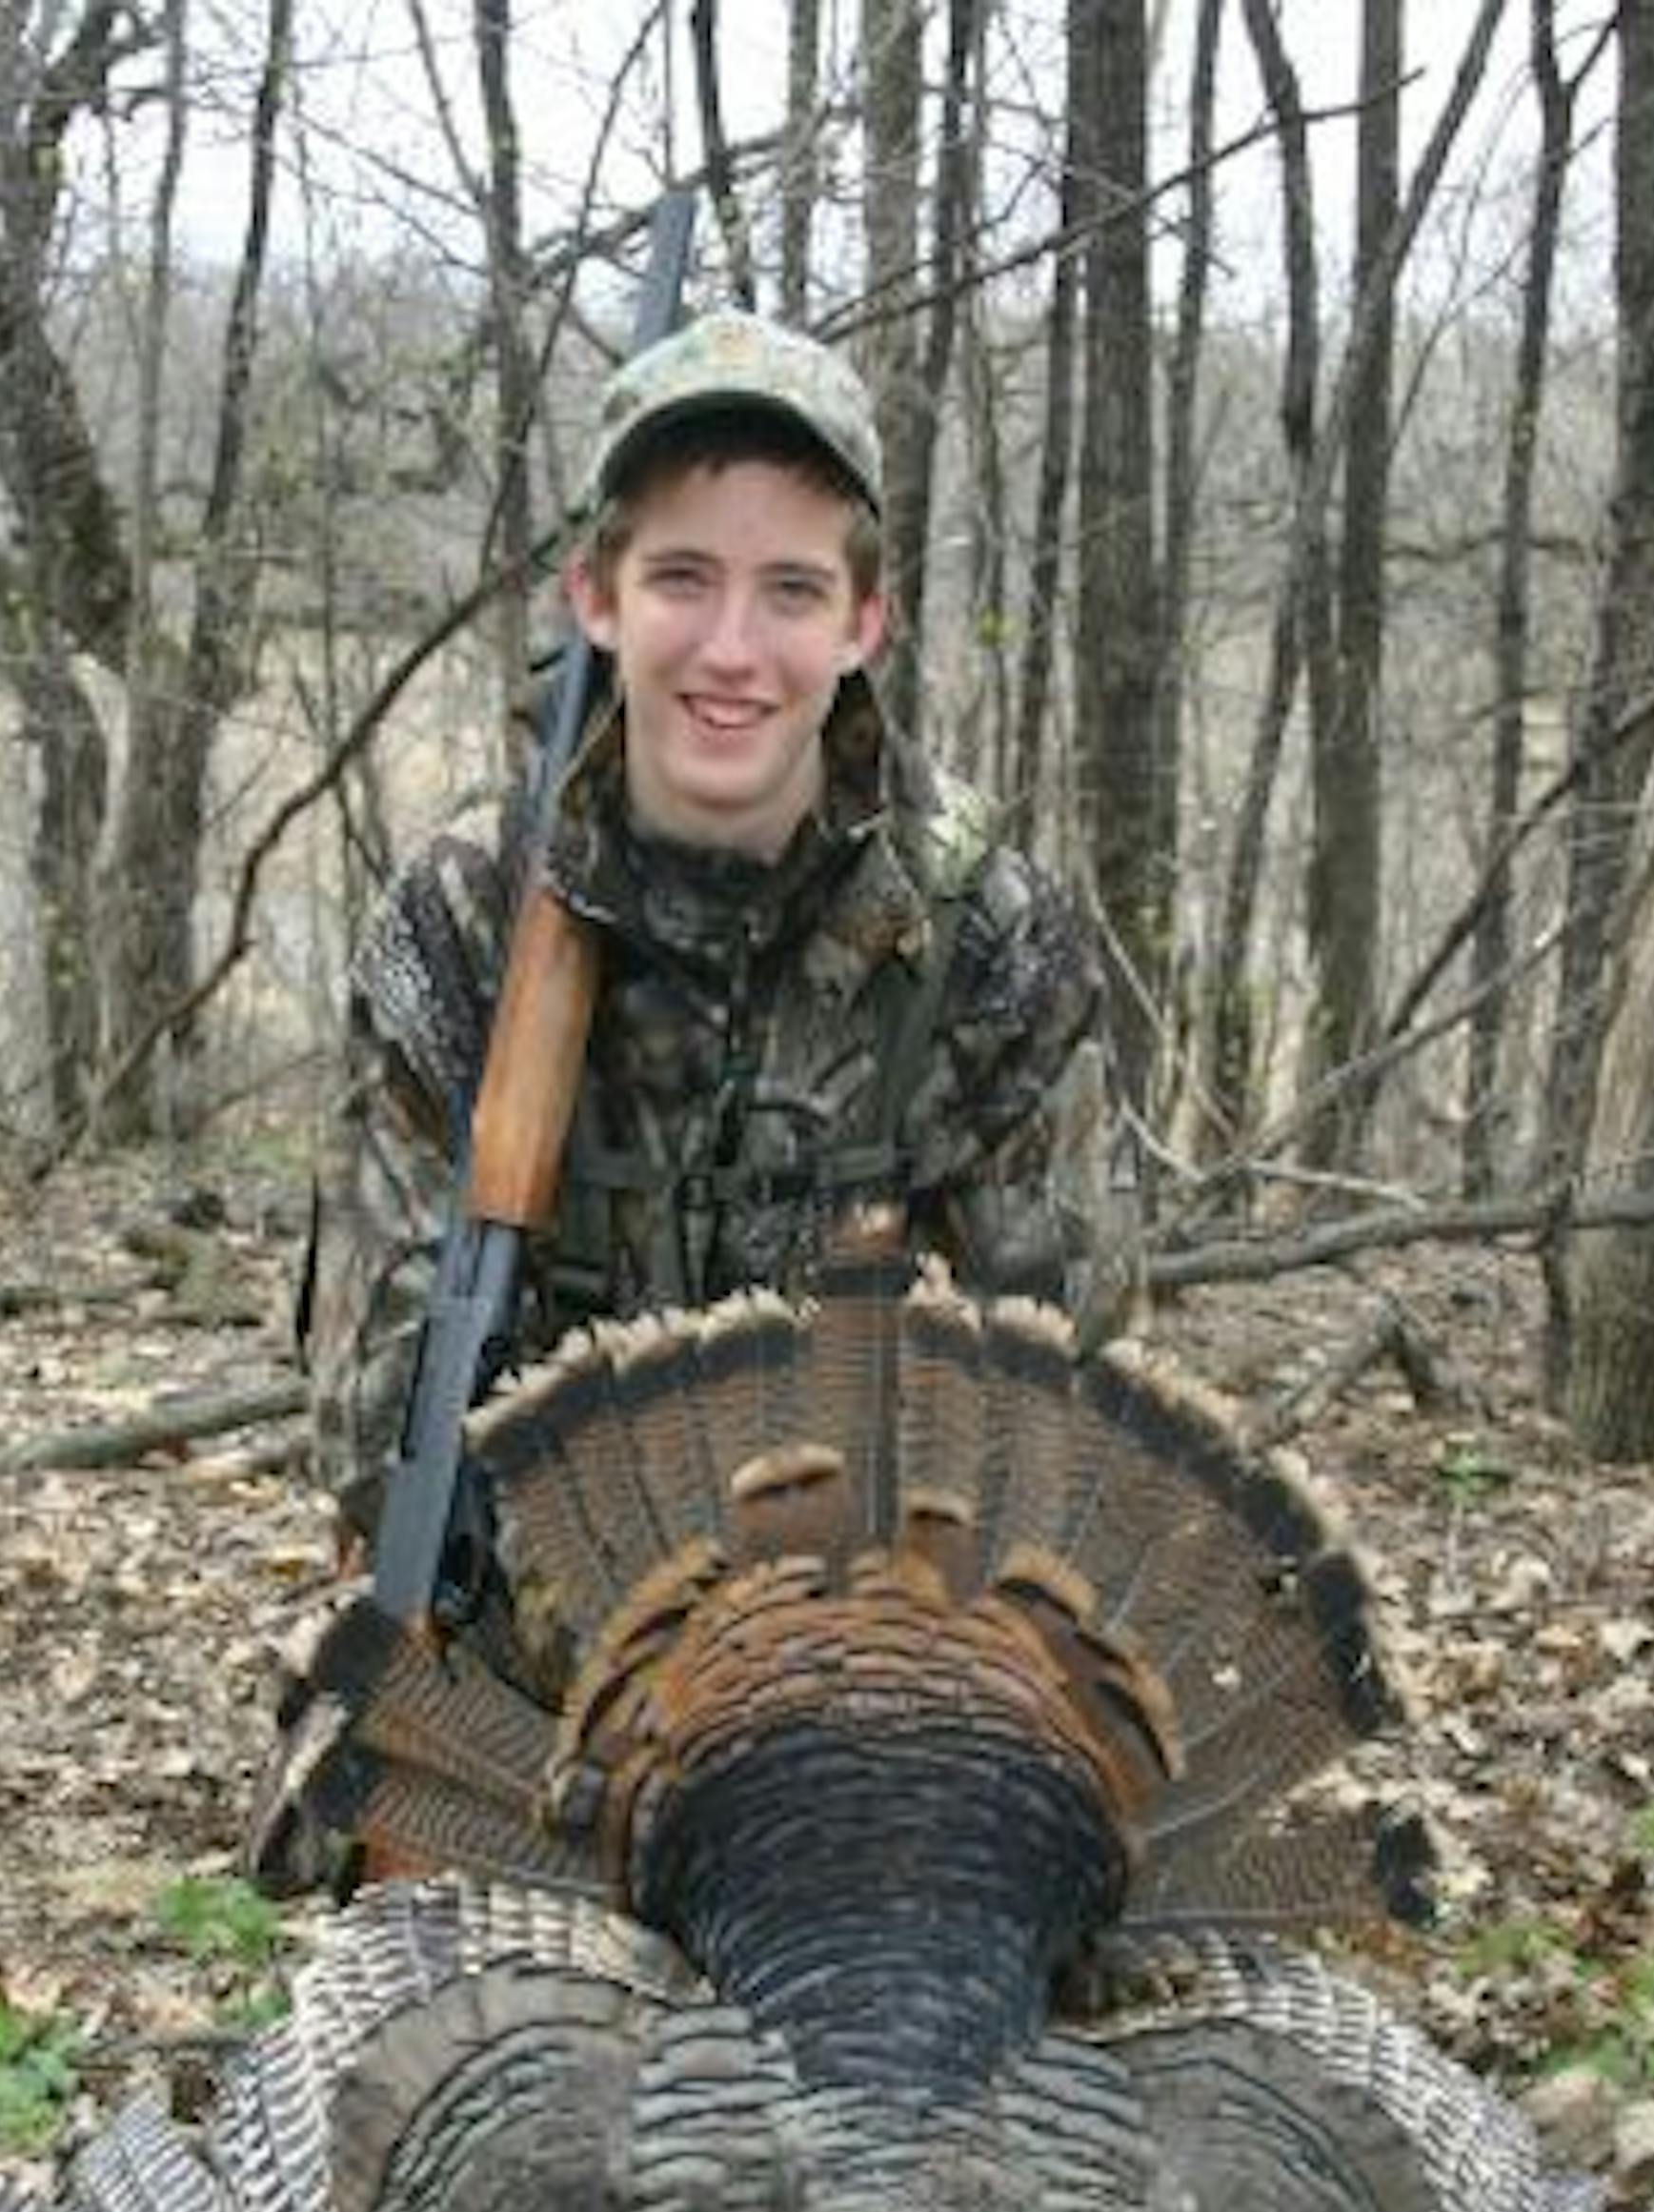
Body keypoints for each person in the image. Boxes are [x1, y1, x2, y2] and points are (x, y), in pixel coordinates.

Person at [255, 308, 1128, 1887]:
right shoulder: (462, 918)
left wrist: (818, 1689)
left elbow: (1055, 1424)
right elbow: (377, 1413)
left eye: (793, 590)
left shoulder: (990, 934)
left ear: (868, 619)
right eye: (681, 581)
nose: (734, 650)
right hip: (539, 1692)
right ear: (596, 596)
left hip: (884, 1695)